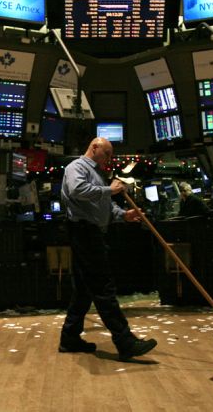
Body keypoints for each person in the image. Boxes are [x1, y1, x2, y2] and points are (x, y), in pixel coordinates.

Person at [59, 137, 158, 361]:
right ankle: (125, 342)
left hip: (89, 233)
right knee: (103, 287)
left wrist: (123, 215)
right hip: (84, 233)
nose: (109, 159)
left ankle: (70, 338)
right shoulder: (76, 167)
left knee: (84, 290)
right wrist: (109, 190)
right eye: (107, 154)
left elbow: (103, 204)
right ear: (94, 147)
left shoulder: (97, 173)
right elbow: (77, 190)